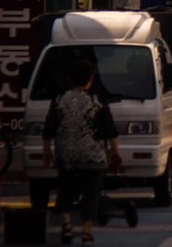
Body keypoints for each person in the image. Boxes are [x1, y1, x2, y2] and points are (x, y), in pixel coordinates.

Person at [42, 60, 120, 245]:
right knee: (91, 192)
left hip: (66, 153)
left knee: (65, 188)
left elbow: (49, 128)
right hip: (92, 155)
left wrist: (47, 151)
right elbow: (110, 130)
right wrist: (115, 152)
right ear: (91, 79)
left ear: (70, 79)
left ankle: (67, 224)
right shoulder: (97, 101)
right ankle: (86, 231)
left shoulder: (59, 99)